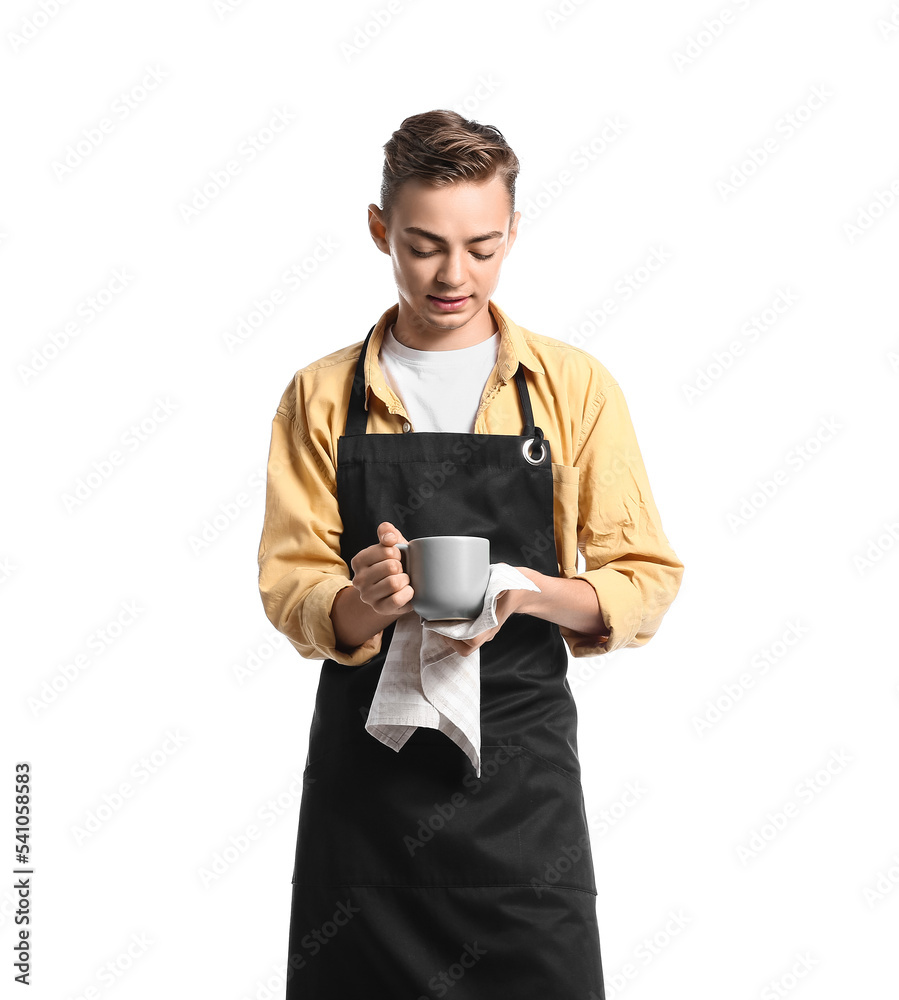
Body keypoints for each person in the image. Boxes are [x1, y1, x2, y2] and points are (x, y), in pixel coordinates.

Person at [257, 109, 684, 998]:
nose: (455, 275)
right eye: (422, 245)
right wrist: (362, 602)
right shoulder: (322, 394)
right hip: (367, 798)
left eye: (482, 247)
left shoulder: (571, 387)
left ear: (513, 232)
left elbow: (641, 576)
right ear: (380, 229)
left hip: (522, 800)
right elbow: (294, 585)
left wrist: (529, 590)